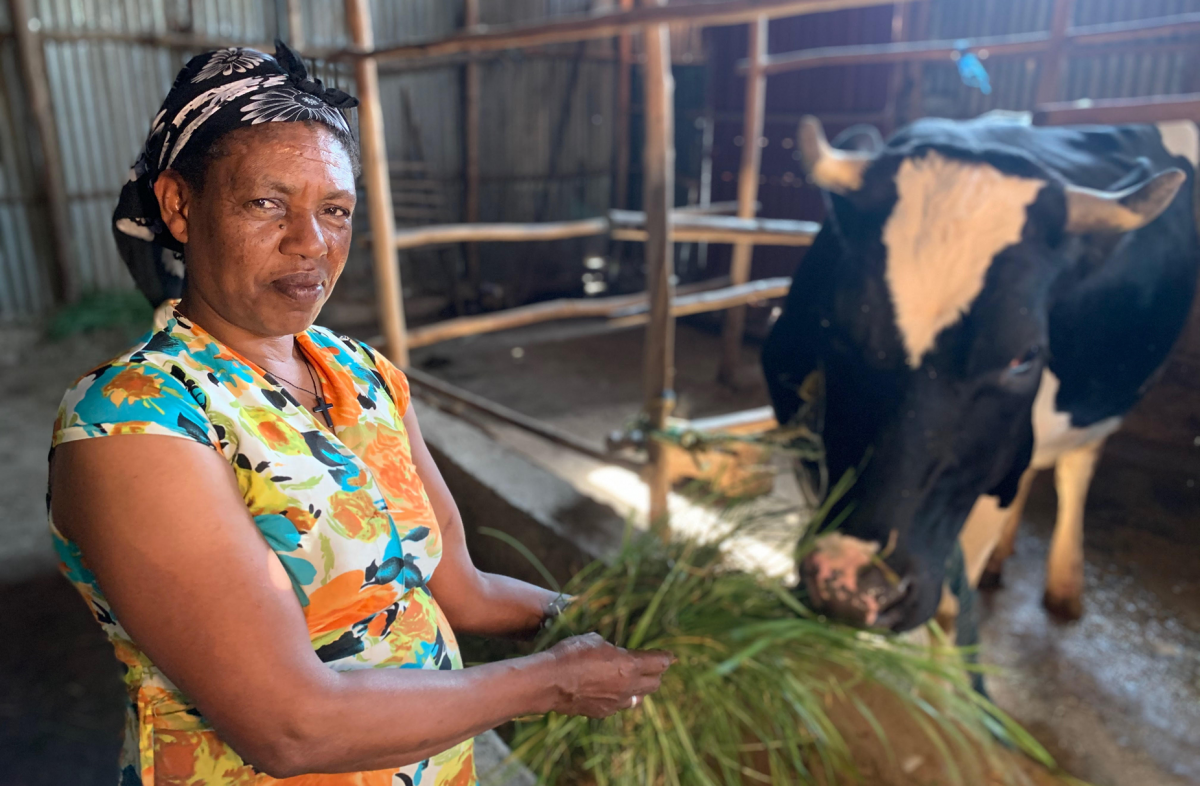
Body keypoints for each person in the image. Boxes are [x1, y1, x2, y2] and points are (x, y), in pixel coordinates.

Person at [49, 42, 672, 786]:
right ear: (180, 206)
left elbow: (458, 587)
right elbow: (290, 727)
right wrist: (555, 681)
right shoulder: (133, 422)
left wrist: (615, 622)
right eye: (267, 203)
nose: (311, 243)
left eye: (335, 210)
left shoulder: (361, 376)